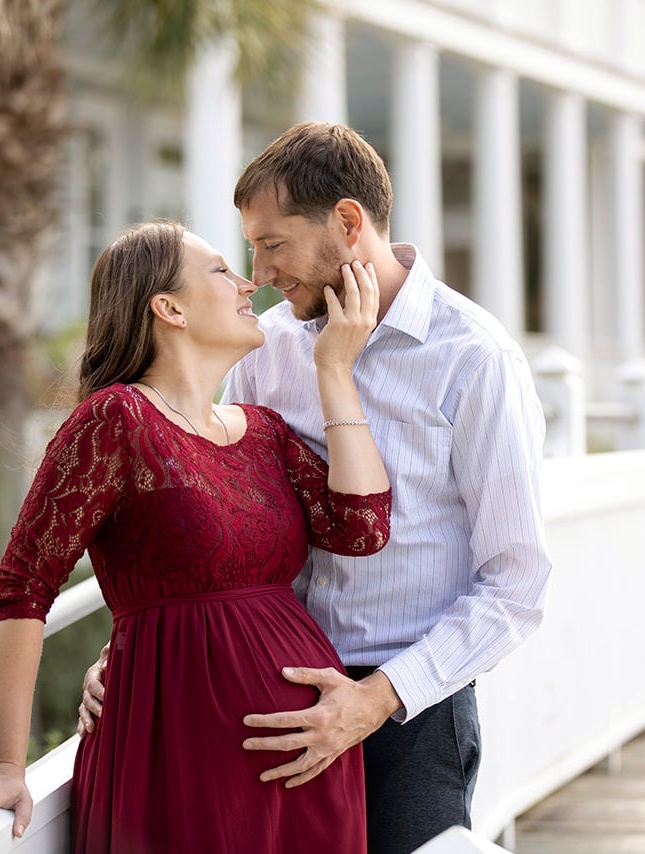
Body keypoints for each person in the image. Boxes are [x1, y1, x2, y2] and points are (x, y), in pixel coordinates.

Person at [81, 123, 553, 853]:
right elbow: (211, 520)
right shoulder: (265, 350)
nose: (260, 272)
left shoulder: (475, 359)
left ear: (347, 223)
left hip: (408, 712)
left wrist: (373, 701)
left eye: (273, 244)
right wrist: (131, 651)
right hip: (265, 698)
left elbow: (517, 585)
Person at [0, 220, 392, 853]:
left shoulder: (264, 430)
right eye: (222, 272)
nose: (248, 282)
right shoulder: (116, 420)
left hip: (308, 753)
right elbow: (22, 587)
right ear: (169, 308)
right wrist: (6, 765)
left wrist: (335, 370)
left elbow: (362, 527)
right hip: (181, 751)